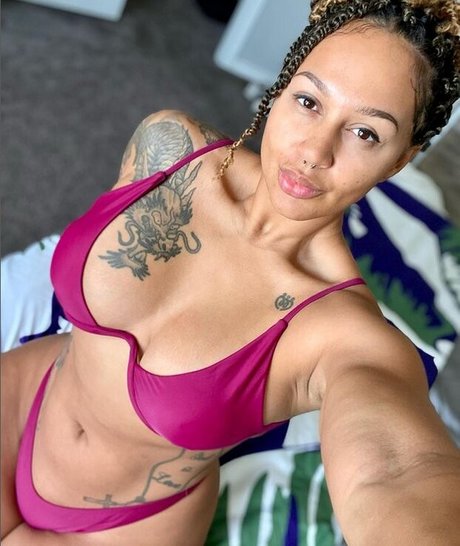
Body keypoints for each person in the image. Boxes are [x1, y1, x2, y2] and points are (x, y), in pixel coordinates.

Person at [2, 0, 459, 544]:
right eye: (309, 101)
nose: (314, 151)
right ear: (282, 87)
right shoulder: (168, 147)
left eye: (365, 133)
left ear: (402, 158)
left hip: (126, 523)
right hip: (25, 396)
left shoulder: (346, 336)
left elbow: (398, 474)